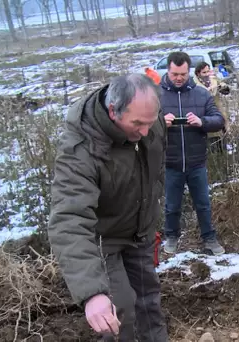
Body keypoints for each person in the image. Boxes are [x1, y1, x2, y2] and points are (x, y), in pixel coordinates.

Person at [47, 73, 168, 341]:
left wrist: (151, 209)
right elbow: (69, 218)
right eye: (137, 123)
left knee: (149, 303)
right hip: (103, 238)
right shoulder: (82, 147)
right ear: (113, 111)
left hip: (140, 230)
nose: (146, 132)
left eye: (151, 122)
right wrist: (91, 293)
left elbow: (156, 166)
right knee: (118, 310)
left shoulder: (150, 119)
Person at [160, 51, 226, 255]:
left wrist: (201, 122)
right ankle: (171, 236)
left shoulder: (201, 93)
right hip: (170, 161)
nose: (179, 78)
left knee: (203, 203)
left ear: (189, 71)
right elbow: (141, 125)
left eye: (182, 74)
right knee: (172, 204)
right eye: (174, 74)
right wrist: (159, 123)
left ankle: (209, 238)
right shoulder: (156, 95)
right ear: (168, 71)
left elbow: (219, 119)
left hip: (196, 160)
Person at [194, 61, 230, 153]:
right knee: (211, 139)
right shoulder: (194, 84)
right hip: (205, 114)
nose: (207, 74)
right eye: (204, 72)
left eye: (208, 71)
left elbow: (226, 91)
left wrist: (223, 87)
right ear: (198, 73)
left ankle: (222, 158)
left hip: (219, 111)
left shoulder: (214, 79)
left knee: (222, 137)